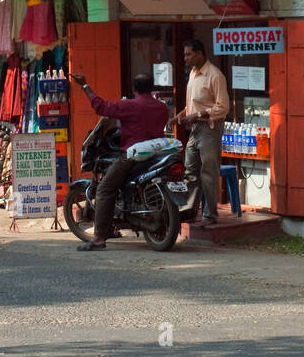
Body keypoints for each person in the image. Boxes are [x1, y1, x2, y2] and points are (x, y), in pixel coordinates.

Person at [69, 72, 169, 252]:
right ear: (151, 87)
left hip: (133, 156)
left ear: (134, 89)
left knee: (105, 188)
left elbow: (101, 107)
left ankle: (99, 238)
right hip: (156, 155)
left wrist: (84, 85)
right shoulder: (162, 107)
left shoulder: (130, 105)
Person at [174, 38, 229, 225]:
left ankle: (210, 214)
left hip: (210, 127)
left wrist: (197, 114)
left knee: (208, 172)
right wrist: (180, 115)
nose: (185, 58)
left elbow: (223, 107)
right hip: (195, 128)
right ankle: (189, 211)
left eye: (188, 54)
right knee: (190, 170)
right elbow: (192, 103)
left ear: (199, 54)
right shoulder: (193, 73)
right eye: (185, 54)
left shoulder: (215, 75)